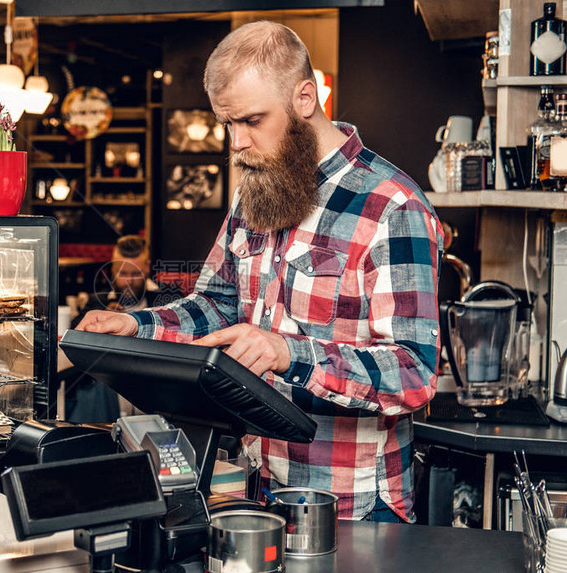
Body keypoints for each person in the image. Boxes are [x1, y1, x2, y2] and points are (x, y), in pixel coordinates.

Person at [78, 21, 443, 523]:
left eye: (251, 120)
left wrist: (288, 353)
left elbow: (414, 372)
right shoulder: (254, 193)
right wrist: (136, 327)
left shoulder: (392, 207)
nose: (236, 142)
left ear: (305, 98)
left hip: (354, 504)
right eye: (227, 123)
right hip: (257, 483)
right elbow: (216, 306)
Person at [66, 235, 181, 422]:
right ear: (112, 269)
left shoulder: (168, 297)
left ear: (146, 267)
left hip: (155, 376)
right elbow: (75, 331)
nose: (128, 281)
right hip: (111, 382)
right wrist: (102, 318)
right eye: (123, 274)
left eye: (135, 274)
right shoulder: (99, 300)